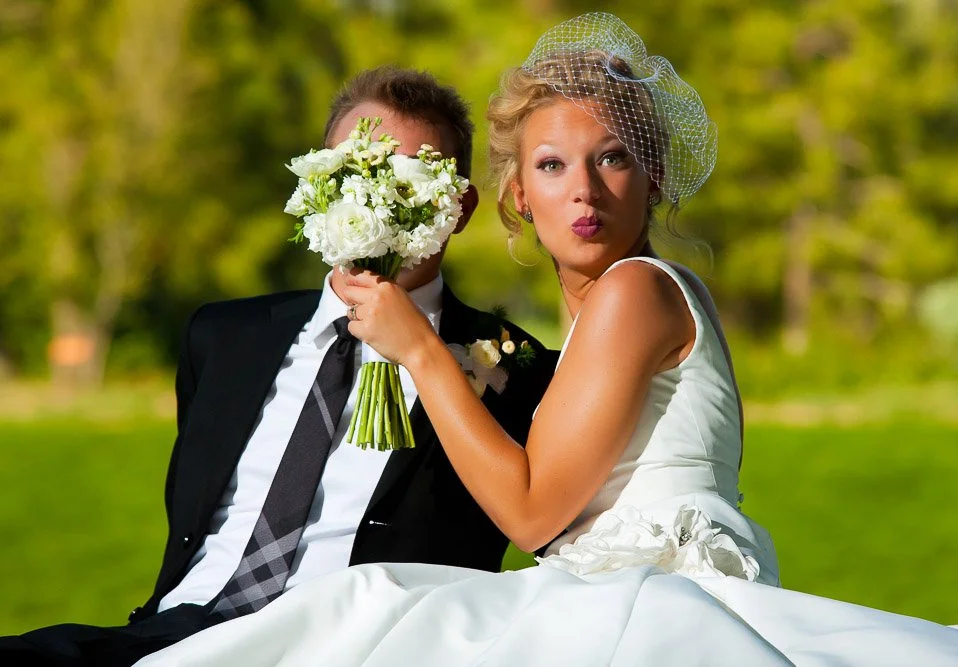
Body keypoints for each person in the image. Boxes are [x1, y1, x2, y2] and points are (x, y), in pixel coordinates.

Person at [135, 13, 958, 667]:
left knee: (372, 609)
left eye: (613, 157)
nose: (583, 189)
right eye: (551, 165)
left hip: (649, 600)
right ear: (517, 196)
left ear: (653, 176)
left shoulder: (635, 294)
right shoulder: (588, 323)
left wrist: (423, 352)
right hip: (587, 587)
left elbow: (532, 509)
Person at [0, 67, 557, 667]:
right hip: (177, 631)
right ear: (318, 184)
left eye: (407, 178)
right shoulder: (222, 337)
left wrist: (421, 350)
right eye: (350, 170)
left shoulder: (513, 364)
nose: (373, 194)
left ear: (459, 207)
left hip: (357, 646)